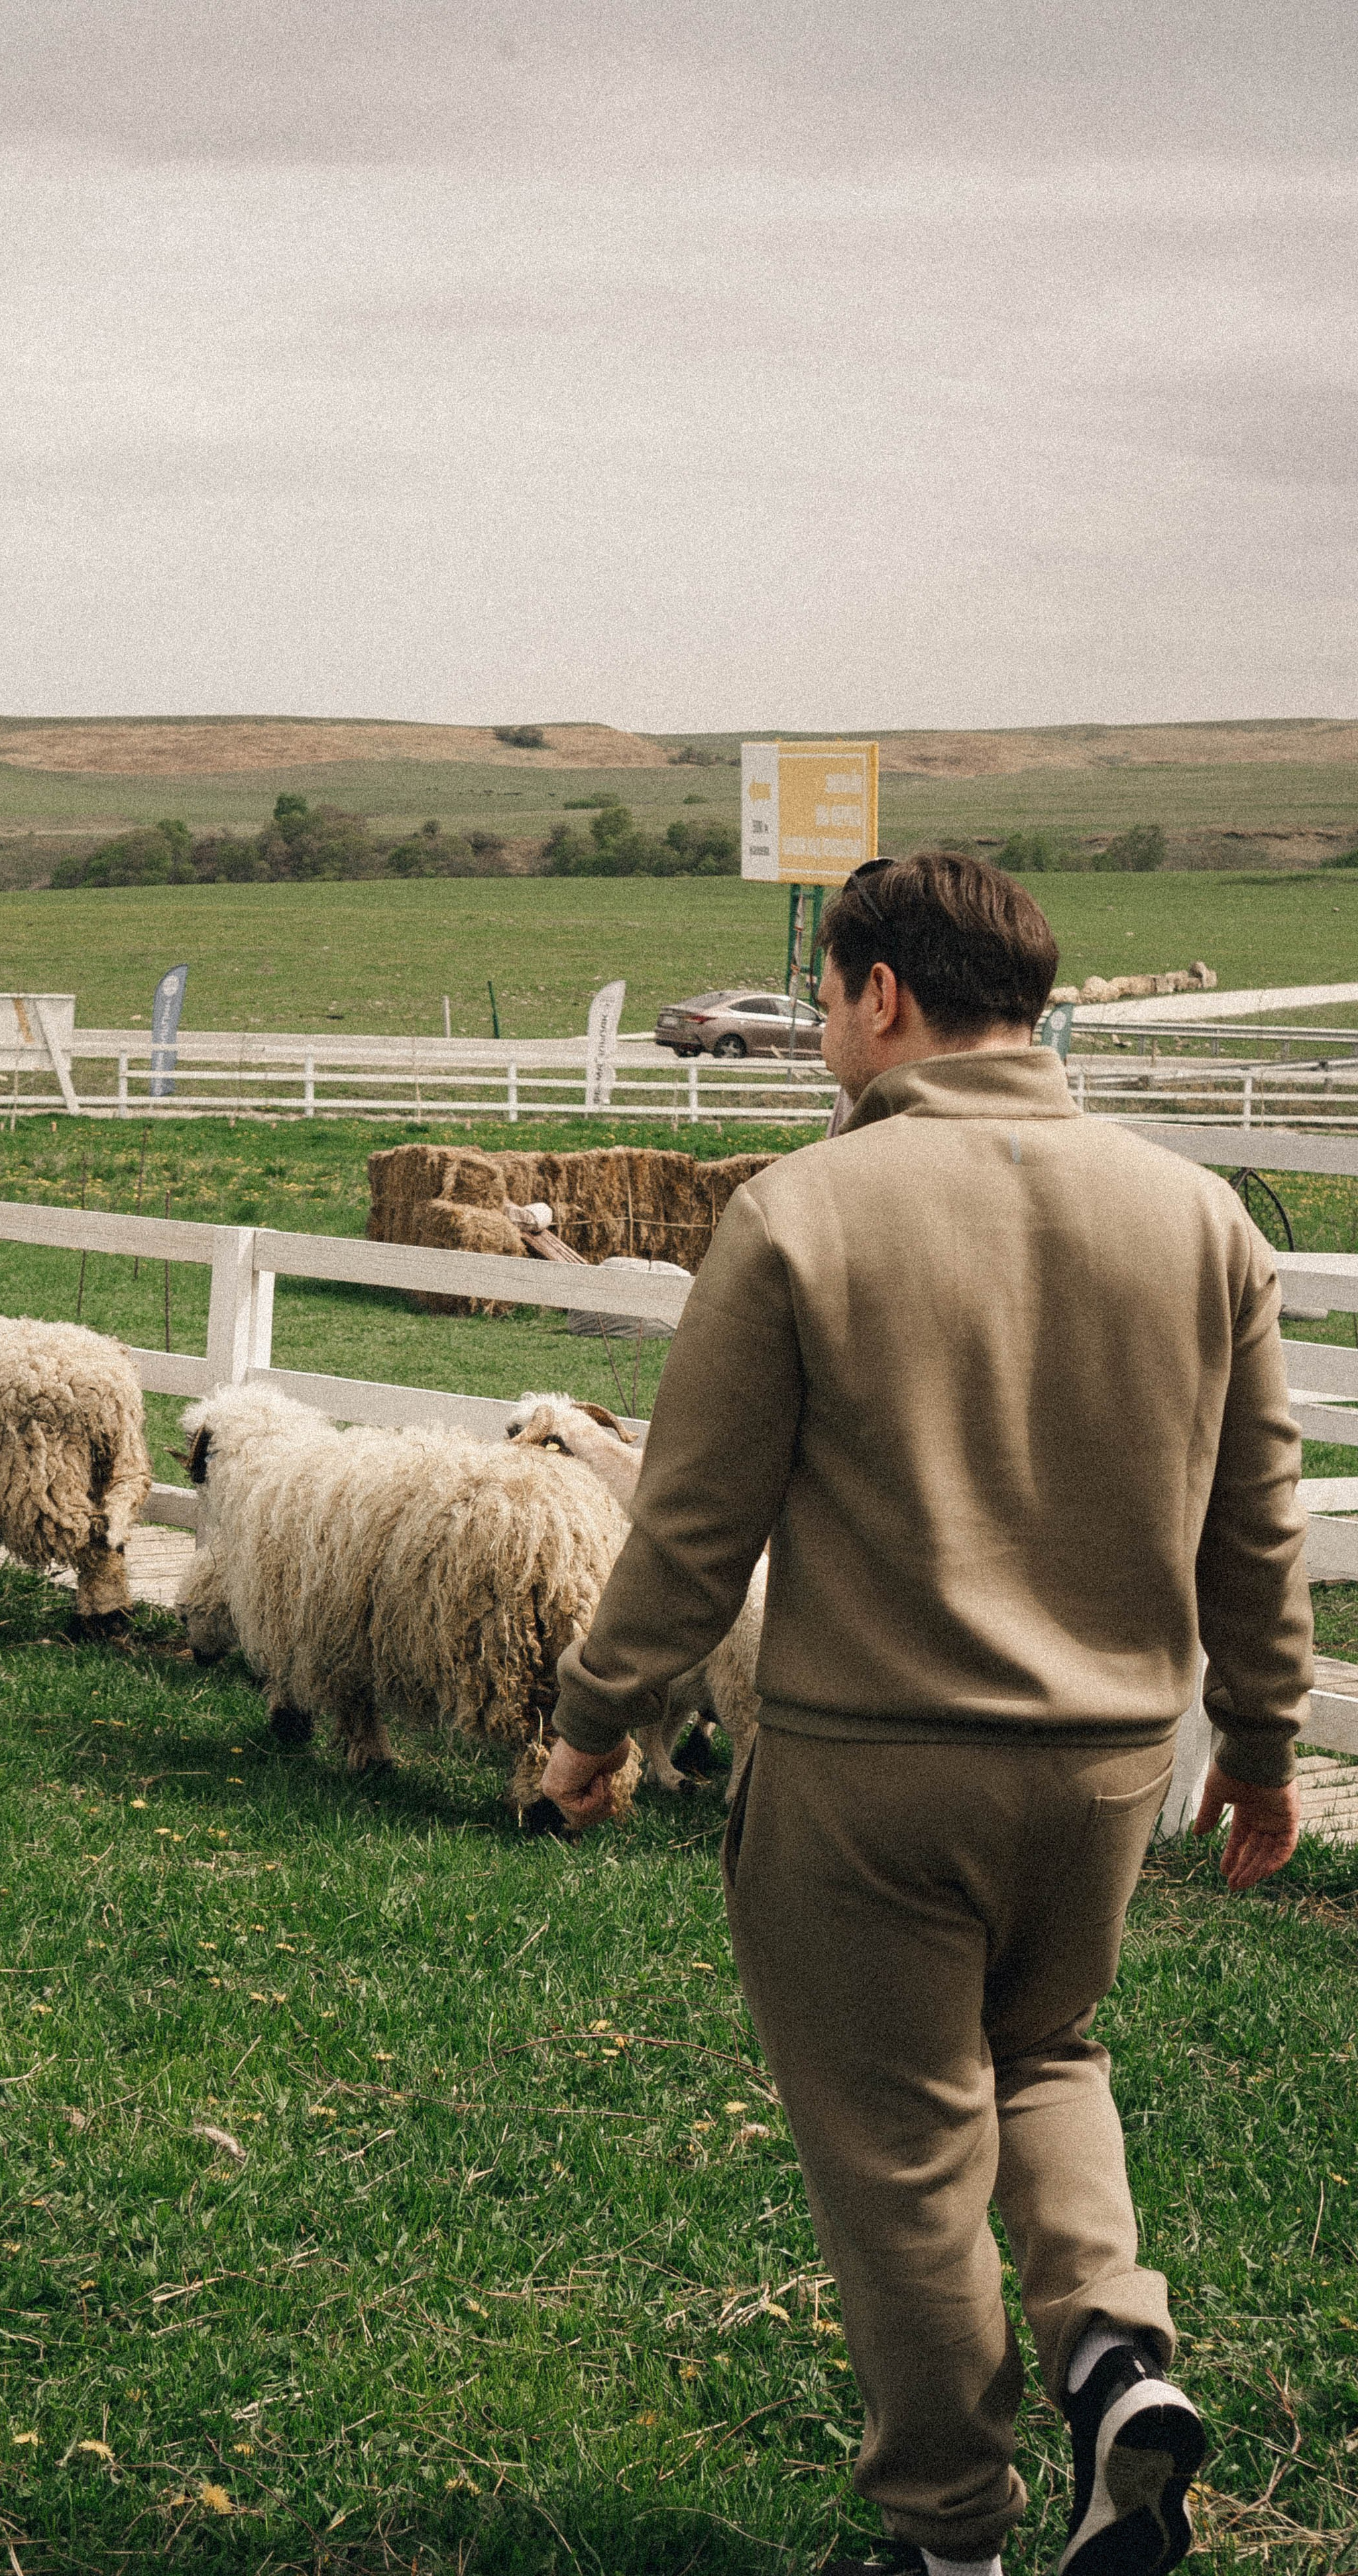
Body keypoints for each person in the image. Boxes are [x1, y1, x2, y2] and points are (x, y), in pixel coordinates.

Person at [540, 851, 1310, 2576]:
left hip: (866, 1774)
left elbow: (691, 1524)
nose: (817, 1032)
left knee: (897, 2155)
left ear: (882, 995)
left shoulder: (800, 1217)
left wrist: (594, 1720)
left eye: (820, 998)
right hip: (1106, 1771)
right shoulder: (1199, 1222)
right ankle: (1111, 2355)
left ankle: (946, 2532)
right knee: (1045, 2051)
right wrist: (1258, 1747)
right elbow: (1252, 1525)